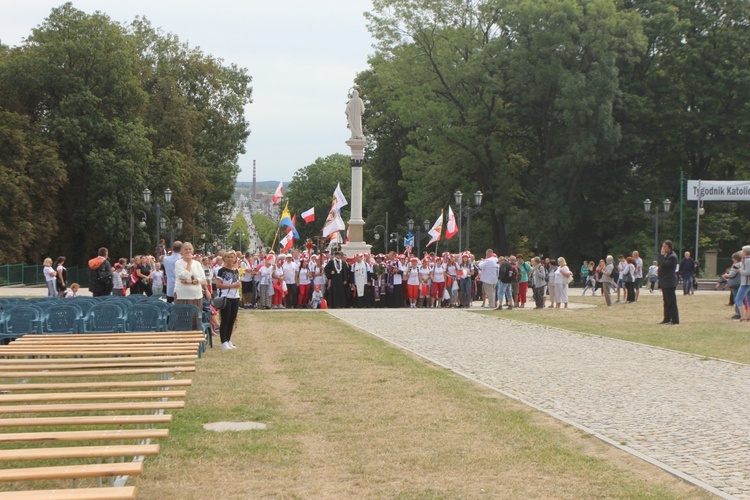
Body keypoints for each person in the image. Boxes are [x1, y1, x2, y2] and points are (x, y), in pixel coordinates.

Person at [173, 242, 208, 323]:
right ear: (181, 251)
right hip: (182, 295)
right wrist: (188, 264)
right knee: (182, 320)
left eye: (190, 249)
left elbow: (203, 279)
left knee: (195, 319)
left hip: (196, 295)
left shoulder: (197, 264)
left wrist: (192, 282)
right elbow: (184, 276)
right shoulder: (178, 263)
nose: (188, 251)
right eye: (186, 249)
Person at [215, 251, 241, 350]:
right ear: (225, 258)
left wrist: (238, 285)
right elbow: (218, 284)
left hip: (235, 296)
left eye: (232, 257)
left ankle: (228, 339)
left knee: (232, 320)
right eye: (228, 257)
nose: (230, 259)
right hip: (226, 297)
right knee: (225, 320)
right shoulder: (221, 270)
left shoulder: (236, 270)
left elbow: (237, 282)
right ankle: (223, 341)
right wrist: (231, 286)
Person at [658, 240, 679, 325]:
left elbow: (664, 265)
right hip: (665, 281)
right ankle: (666, 318)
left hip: (669, 281)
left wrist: (662, 255)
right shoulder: (667, 256)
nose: (663, 248)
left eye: (665, 246)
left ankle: (674, 319)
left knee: (671, 302)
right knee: (666, 301)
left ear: (669, 247)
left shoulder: (672, 257)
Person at [723, 252, 742, 320]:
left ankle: (738, 313)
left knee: (737, 298)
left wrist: (726, 275)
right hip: (741, 283)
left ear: (735, 259)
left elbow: (732, 274)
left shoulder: (736, 265)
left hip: (735, 283)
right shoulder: (742, 264)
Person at [735, 246, 750, 322]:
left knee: (738, 299)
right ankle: (748, 316)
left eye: (742, 251)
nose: (741, 253)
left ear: (745, 252)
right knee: (749, 300)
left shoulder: (747, 260)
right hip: (748, 283)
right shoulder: (746, 260)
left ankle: (743, 316)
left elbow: (748, 272)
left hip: (746, 283)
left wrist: (740, 271)